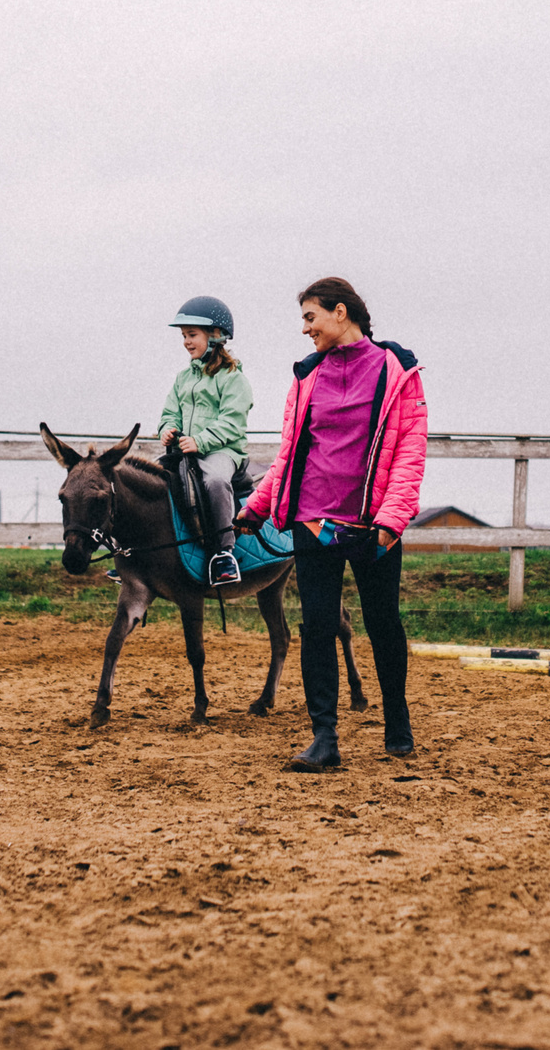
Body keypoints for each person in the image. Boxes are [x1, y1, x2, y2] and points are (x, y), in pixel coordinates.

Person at [236, 276, 424, 771]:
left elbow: (409, 451)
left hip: (372, 524)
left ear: (340, 312)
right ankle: (324, 737)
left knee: (383, 622)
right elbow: (290, 454)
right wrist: (257, 506)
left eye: (310, 317)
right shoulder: (307, 376)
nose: (305, 329)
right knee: (318, 626)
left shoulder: (397, 371)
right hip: (312, 521)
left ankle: (397, 718)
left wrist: (392, 518)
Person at [158, 294, 254, 587]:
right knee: (146, 480)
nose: (186, 342)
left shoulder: (233, 378)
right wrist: (167, 429)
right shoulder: (182, 378)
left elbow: (232, 422)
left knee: (214, 481)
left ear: (215, 336)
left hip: (222, 452)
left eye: (192, 335)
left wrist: (200, 441)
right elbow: (170, 412)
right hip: (185, 450)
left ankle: (224, 553)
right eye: (184, 336)